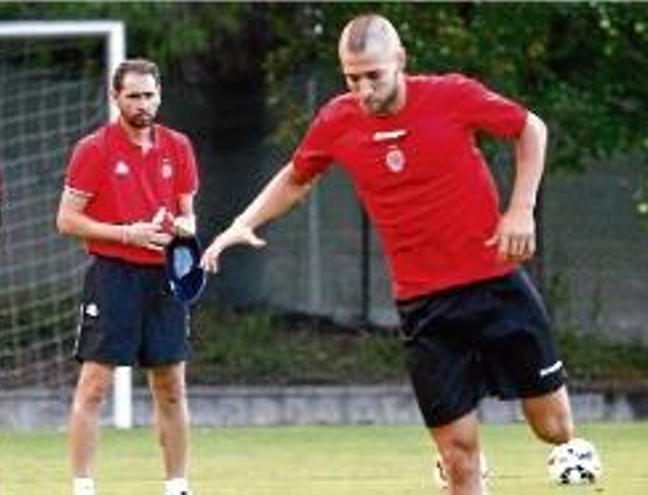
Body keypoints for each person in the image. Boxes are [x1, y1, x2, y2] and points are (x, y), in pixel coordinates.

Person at [202, 13, 591, 495]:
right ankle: (465, 464)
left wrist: (521, 209)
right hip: (424, 306)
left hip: (495, 286)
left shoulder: (451, 95)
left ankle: (545, 441)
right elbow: (296, 176)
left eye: (373, 75)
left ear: (400, 61)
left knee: (552, 427)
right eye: (352, 77)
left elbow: (530, 128)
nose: (363, 89)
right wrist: (244, 222)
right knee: (459, 456)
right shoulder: (338, 119)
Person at [56, 59, 199, 495]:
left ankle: (177, 486)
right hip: (112, 276)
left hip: (164, 278)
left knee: (171, 388)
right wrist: (126, 234)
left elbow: (189, 216)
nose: (142, 104)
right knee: (94, 387)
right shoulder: (93, 149)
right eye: (133, 95)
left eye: (149, 95)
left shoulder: (178, 146)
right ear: (115, 97)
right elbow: (66, 219)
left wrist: (181, 228)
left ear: (160, 95)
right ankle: (83, 486)